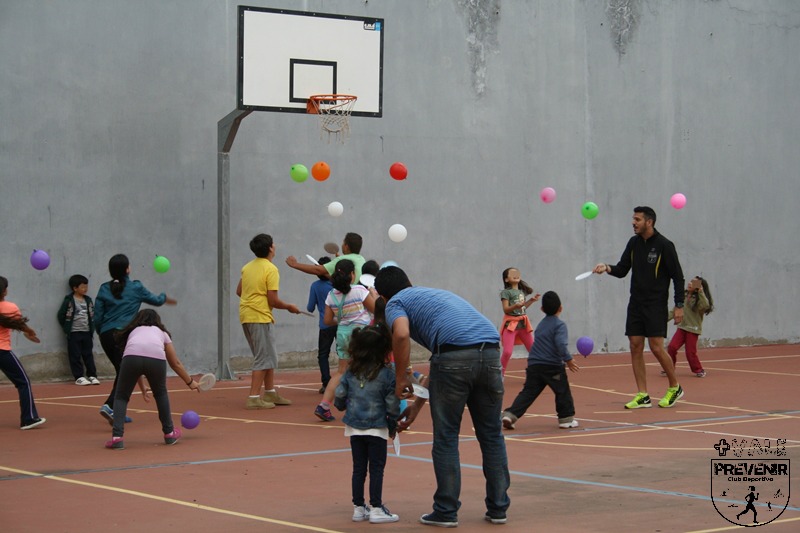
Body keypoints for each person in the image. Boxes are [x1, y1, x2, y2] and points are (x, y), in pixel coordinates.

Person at [374, 266, 510, 527]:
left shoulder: (395, 303)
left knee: (447, 437)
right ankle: (498, 508)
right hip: (491, 353)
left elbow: (401, 334)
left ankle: (446, 511)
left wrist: (401, 377)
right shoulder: (433, 295)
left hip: (453, 357)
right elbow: (442, 357)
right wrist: (416, 407)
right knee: (492, 435)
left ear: (382, 296)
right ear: (410, 281)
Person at [592, 206, 686, 409]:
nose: (633, 223)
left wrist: (679, 305)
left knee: (656, 347)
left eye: (637, 219)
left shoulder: (664, 245)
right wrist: (607, 267)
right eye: (633, 219)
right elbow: (622, 269)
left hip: (656, 304)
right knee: (635, 345)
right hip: (636, 303)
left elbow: (678, 277)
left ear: (649, 222)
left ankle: (675, 387)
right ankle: (642, 394)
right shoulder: (634, 243)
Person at [95, 254, 177, 424]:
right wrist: (163, 297)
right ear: (127, 269)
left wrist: (101, 331)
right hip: (122, 335)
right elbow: (155, 300)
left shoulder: (104, 288)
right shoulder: (136, 287)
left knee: (122, 371)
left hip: (106, 335)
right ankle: (110, 406)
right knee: (125, 373)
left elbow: (97, 316)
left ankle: (116, 410)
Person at [334, 323, 401, 524]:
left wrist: (341, 405)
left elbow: (339, 396)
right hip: (377, 427)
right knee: (377, 468)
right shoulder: (387, 373)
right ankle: (377, 507)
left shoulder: (350, 372)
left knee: (359, 468)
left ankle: (358, 507)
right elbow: (391, 404)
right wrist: (393, 423)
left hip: (354, 426)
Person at [105, 309, 199, 449]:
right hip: (156, 361)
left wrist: (142, 388)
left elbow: (134, 360)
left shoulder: (133, 332)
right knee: (161, 394)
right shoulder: (162, 333)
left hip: (131, 360)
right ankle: (169, 433)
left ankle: (117, 437)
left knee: (121, 397)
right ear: (157, 321)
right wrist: (190, 382)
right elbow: (175, 363)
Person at [237, 233, 300, 410]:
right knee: (263, 357)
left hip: (246, 315)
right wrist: (289, 307)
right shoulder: (271, 269)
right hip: (259, 316)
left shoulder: (247, 267)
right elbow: (273, 300)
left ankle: (270, 392)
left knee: (267, 355)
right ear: (271, 248)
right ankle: (254, 397)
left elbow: (239, 290)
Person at [501, 291, 580, 430]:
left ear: (542, 309)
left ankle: (511, 414)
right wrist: (568, 359)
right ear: (561, 308)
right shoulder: (560, 325)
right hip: (552, 366)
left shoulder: (541, 325)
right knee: (562, 391)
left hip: (534, 365)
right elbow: (560, 344)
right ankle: (566, 419)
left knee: (528, 392)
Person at [314, 259, 376, 422]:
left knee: (341, 372)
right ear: (352, 274)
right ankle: (361, 407)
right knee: (366, 370)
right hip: (360, 334)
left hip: (342, 333)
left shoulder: (331, 295)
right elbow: (375, 309)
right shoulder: (359, 290)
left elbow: (327, 320)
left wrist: (342, 320)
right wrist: (374, 295)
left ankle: (324, 406)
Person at [0, 276, 46, 430]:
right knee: (23, 382)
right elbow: (20, 325)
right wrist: (29, 332)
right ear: (4, 291)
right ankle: (28, 419)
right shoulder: (10, 307)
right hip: (2, 351)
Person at [666, 276, 714, 378]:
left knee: (690, 352)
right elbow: (674, 310)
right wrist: (662, 320)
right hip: (682, 328)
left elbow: (706, 306)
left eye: (694, 283)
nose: (690, 283)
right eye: (690, 281)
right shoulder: (684, 295)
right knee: (672, 347)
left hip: (693, 329)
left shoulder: (699, 299)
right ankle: (669, 368)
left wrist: (700, 291)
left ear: (698, 286)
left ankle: (698, 369)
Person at [57, 274, 99, 386]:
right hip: (74, 333)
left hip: (87, 332)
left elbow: (92, 315)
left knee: (88, 354)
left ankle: (92, 375)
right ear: (75, 288)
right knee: (75, 355)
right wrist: (67, 328)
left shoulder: (88, 300)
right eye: (82, 287)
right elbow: (61, 315)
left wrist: (92, 328)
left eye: (86, 287)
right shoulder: (69, 300)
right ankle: (79, 376)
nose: (85, 289)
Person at [499, 267, 540, 374]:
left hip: (523, 325)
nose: (515, 274)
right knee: (507, 352)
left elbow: (523, 308)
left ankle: (535, 372)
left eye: (517, 272)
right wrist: (515, 306)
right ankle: (499, 374)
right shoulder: (506, 293)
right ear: (506, 279)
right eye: (512, 273)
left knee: (533, 350)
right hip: (511, 326)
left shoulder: (521, 292)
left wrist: (531, 301)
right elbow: (506, 309)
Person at [286, 232, 367, 282]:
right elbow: (339, 279)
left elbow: (318, 270)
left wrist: (295, 264)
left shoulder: (342, 259)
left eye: (343, 242)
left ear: (346, 246)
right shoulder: (362, 259)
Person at [307, 256, 336, 393]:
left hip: (325, 325)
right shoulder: (337, 285)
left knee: (323, 355)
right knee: (345, 354)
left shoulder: (315, 286)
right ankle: (347, 383)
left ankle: (326, 383)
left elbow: (310, 307)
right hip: (341, 324)